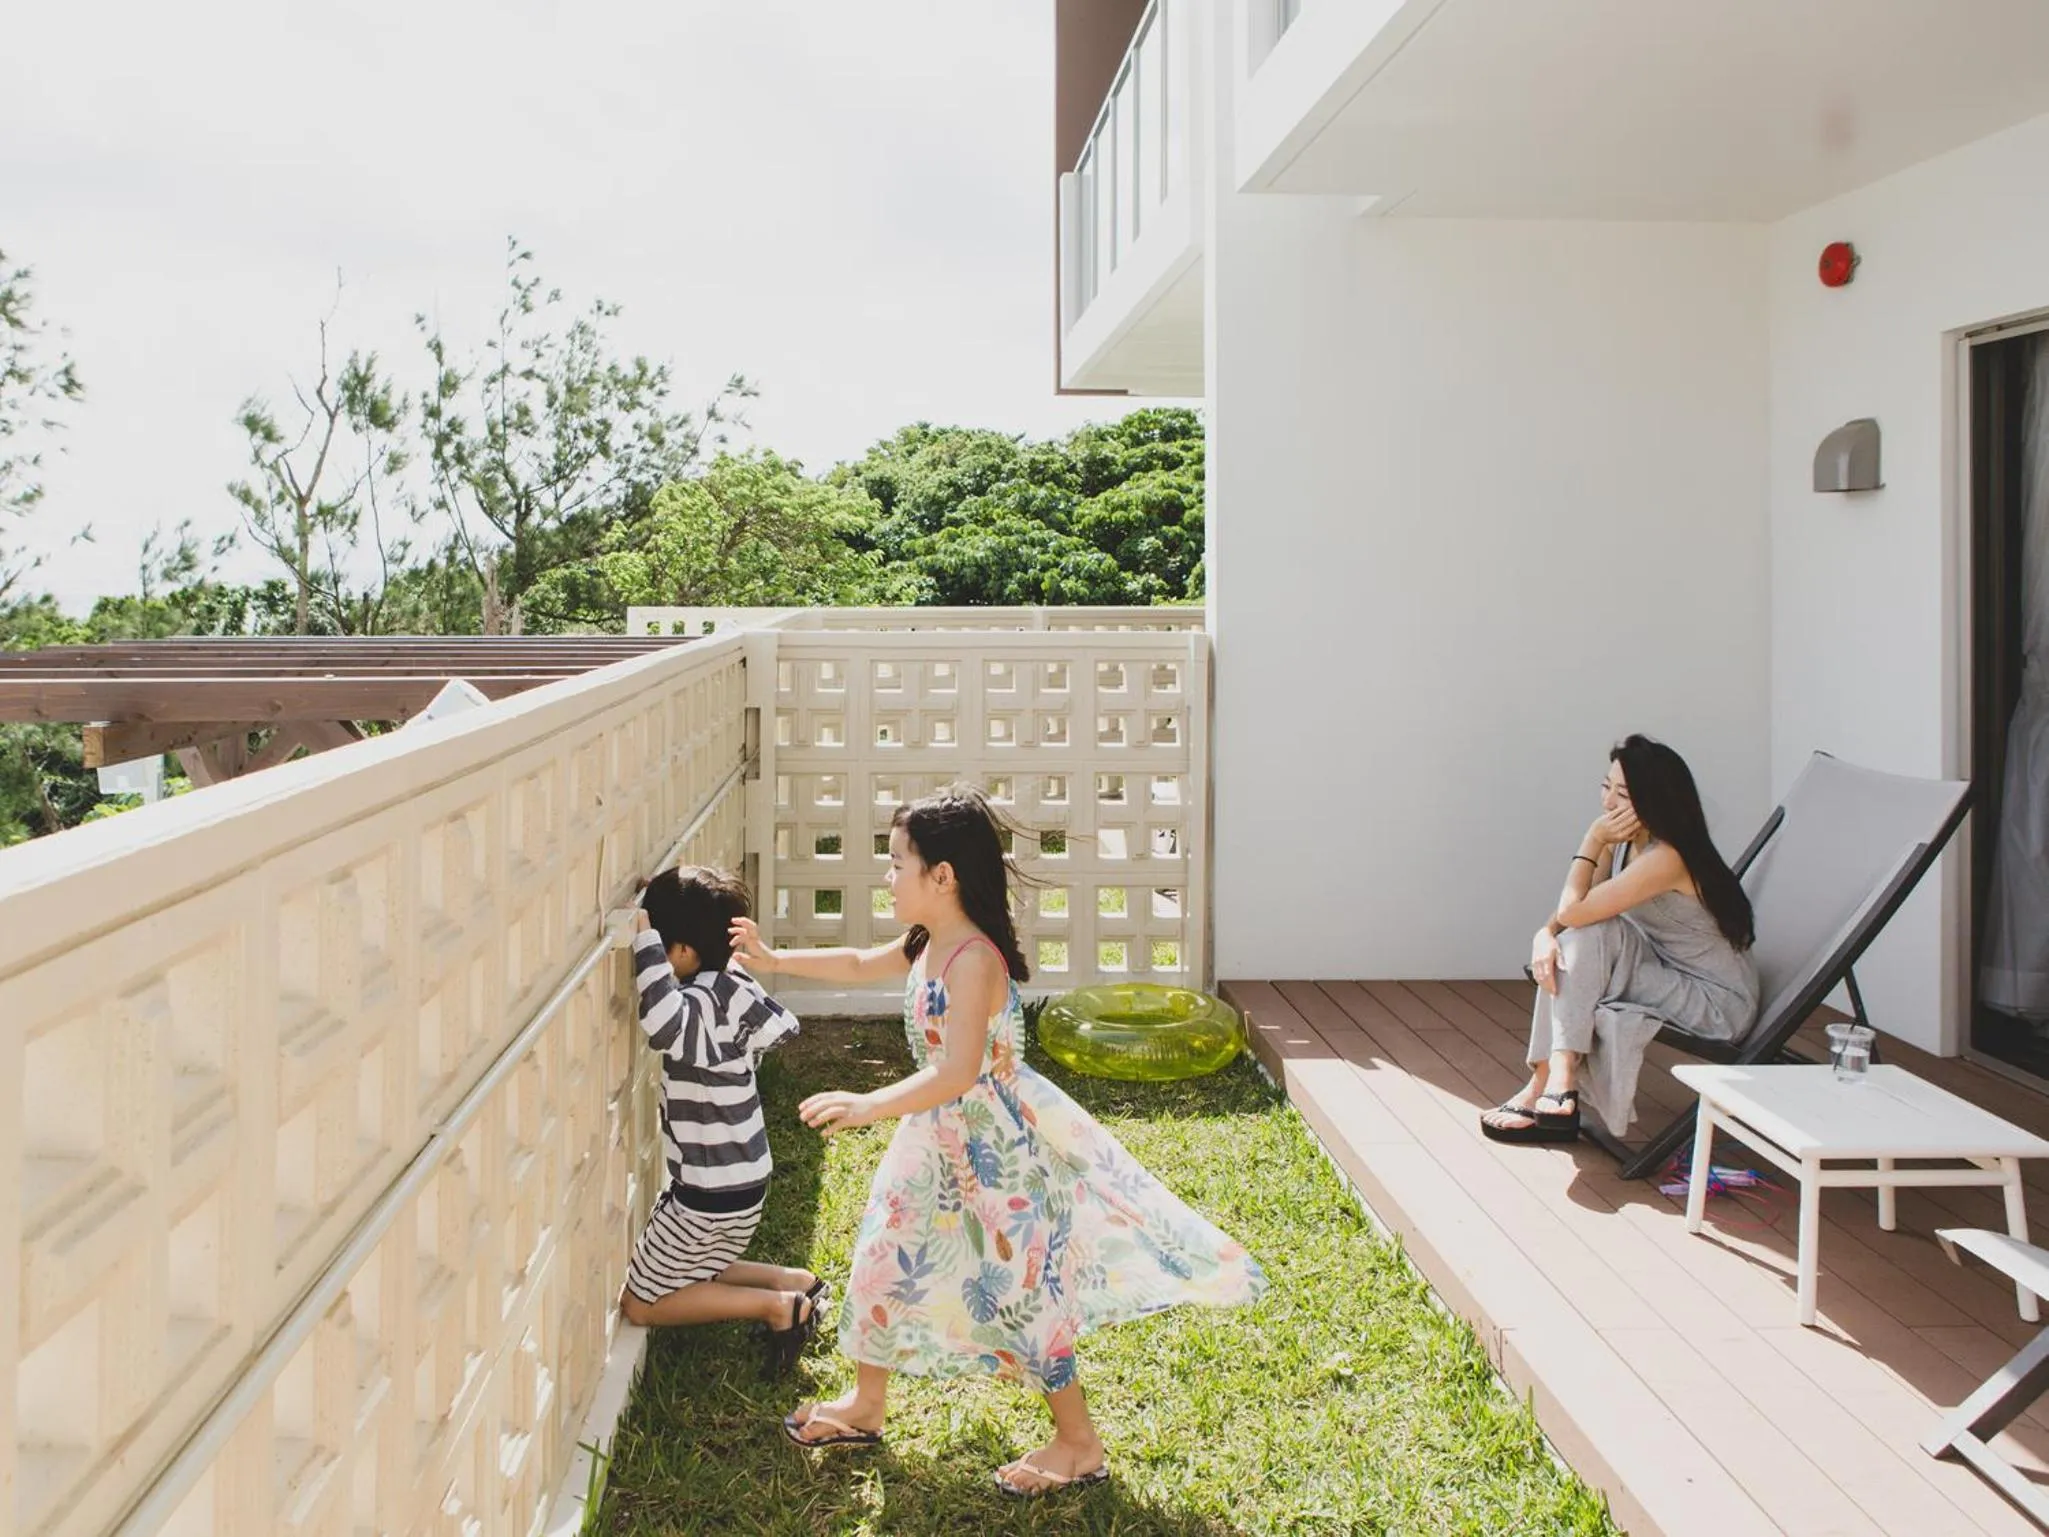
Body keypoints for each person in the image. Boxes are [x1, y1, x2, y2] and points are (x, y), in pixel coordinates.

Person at [729, 785, 1266, 1499]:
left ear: (941, 876)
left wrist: (866, 1103)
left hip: (990, 1152)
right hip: (936, 1141)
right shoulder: (928, 941)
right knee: (883, 1256)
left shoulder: (972, 959)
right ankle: (865, 1403)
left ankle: (1077, 1443)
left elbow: (954, 1072)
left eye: (896, 864)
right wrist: (773, 956)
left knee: (1021, 1293)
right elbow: (862, 962)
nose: (887, 877)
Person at [1480, 736, 1760, 1145]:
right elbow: (1584, 912)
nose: (1608, 803)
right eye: (1606, 786)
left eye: (1623, 794)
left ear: (1654, 800)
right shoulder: (1635, 842)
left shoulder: (1667, 857)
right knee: (1583, 941)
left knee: (1584, 944)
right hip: (1664, 972)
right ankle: (1555, 1081)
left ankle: (1548, 1083)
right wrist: (1546, 934)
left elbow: (1577, 913)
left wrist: (1592, 841)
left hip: (1714, 1003)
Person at [620, 865, 825, 1377]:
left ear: (684, 952)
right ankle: (795, 1283)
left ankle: (777, 1309)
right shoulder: (731, 984)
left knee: (641, 1301)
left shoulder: (698, 1005)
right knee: (697, 1267)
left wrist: (643, 939)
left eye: (666, 950)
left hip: (709, 1193)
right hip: (743, 1178)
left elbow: (664, 1023)